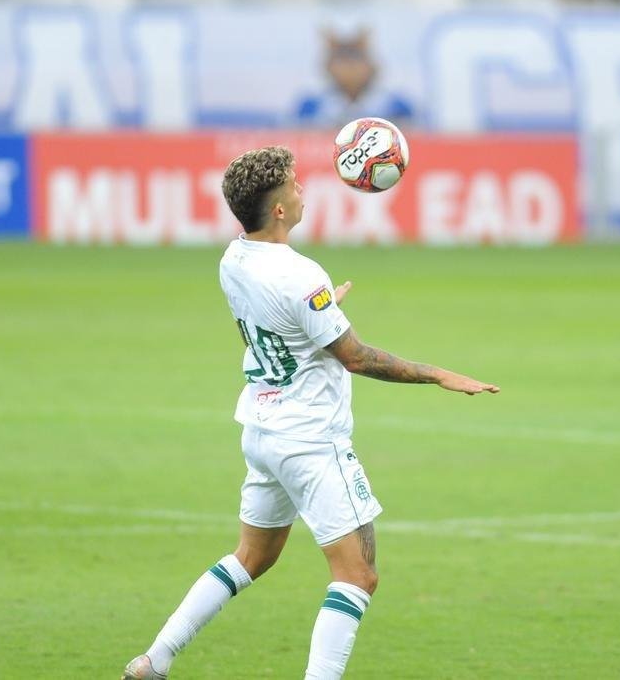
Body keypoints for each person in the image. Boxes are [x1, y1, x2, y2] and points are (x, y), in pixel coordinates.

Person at [123, 146, 499, 680]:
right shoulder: (301, 276)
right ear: (278, 210)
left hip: (262, 428)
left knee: (250, 558)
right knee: (357, 577)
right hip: (309, 439)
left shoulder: (233, 259)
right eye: (296, 186)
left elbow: (286, 320)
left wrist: (323, 308)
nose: (303, 192)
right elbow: (356, 357)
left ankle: (152, 660)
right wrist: (438, 374)